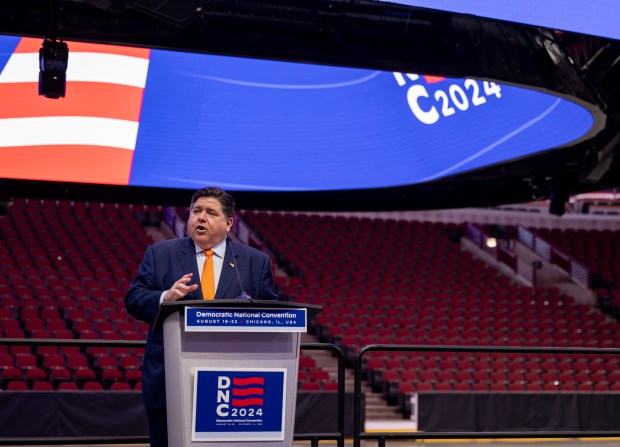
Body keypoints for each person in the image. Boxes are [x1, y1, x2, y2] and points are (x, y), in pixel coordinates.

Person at [125, 186, 279, 447]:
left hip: (232, 388)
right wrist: (165, 298)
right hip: (169, 382)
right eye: (196, 211)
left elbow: (272, 315)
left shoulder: (255, 262)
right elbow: (133, 299)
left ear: (228, 223)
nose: (201, 217)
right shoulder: (161, 254)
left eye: (210, 212)